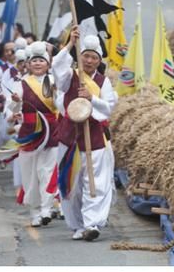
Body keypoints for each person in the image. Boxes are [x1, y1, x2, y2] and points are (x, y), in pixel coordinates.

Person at [52, 26, 117, 242]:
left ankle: (92, 223)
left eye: (93, 58)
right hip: (70, 136)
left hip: (94, 136)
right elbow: (56, 67)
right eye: (85, 56)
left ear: (99, 61)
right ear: (79, 57)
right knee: (72, 184)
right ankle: (77, 224)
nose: (89, 61)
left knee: (94, 182)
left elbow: (107, 107)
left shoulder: (103, 82)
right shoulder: (69, 75)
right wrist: (70, 42)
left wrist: (91, 98)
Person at [6, 41, 59, 227]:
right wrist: (15, 102)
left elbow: (60, 105)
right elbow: (13, 107)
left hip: (51, 132)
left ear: (48, 63)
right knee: (29, 175)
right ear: (28, 64)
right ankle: (34, 212)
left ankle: (46, 208)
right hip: (29, 133)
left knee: (47, 171)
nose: (37, 64)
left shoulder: (54, 81)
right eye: (34, 61)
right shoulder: (22, 83)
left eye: (41, 60)